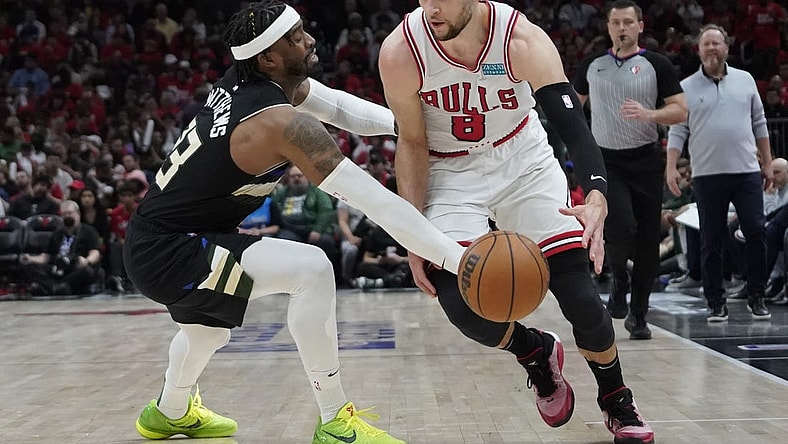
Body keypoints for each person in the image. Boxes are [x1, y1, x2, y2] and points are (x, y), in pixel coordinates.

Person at [123, 2, 465, 443]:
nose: (310, 40)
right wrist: (458, 258)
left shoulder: (252, 81)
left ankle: (168, 411)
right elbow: (377, 202)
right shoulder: (278, 123)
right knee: (312, 269)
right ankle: (335, 421)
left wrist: (415, 131)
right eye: (297, 37)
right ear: (269, 57)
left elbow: (337, 106)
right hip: (169, 249)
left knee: (206, 333)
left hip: (163, 238)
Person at [378, 1, 653, 443]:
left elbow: (572, 126)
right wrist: (414, 235)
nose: (431, 8)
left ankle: (616, 396)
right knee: (460, 304)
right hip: (449, 170)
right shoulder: (402, 52)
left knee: (580, 298)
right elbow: (411, 142)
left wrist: (596, 195)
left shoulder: (520, 39)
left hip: (522, 158)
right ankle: (535, 352)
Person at [573, 0, 688, 340]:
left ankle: (638, 314)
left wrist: (650, 114)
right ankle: (619, 277)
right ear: (608, 27)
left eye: (627, 22)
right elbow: (573, 109)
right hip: (606, 161)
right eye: (616, 22)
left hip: (645, 159)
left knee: (649, 239)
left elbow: (681, 110)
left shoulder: (657, 64)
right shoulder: (592, 65)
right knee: (620, 226)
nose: (621, 28)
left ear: (640, 26)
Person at [666, 23, 773, 322]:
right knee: (710, 240)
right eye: (706, 44)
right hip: (707, 175)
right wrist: (671, 166)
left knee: (756, 231)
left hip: (746, 171)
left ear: (727, 47)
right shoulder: (685, 87)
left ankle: (757, 295)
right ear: (698, 50)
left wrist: (767, 161)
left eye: (716, 43)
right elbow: (678, 130)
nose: (712, 48)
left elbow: (759, 122)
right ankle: (715, 302)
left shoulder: (746, 80)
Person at [20, 199, 102, 296]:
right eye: (64, 214)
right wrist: (31, 259)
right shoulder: (57, 233)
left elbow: (95, 253)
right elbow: (46, 256)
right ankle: (56, 287)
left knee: (87, 271)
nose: (67, 216)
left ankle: (51, 287)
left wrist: (87, 261)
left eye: (70, 213)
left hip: (76, 267)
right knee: (30, 266)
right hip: (58, 268)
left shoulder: (89, 231)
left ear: (78, 214)